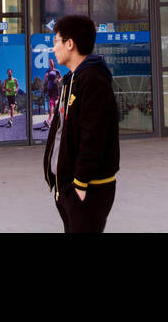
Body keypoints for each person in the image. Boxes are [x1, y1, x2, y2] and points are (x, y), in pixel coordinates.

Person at [43, 15, 119, 233]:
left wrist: (80, 183)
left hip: (89, 187)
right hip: (68, 184)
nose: (53, 48)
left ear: (70, 43)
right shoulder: (72, 79)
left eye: (56, 41)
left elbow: (93, 135)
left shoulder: (93, 79)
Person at [38, 56, 62, 130]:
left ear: (53, 63)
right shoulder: (47, 71)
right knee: (55, 103)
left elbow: (61, 77)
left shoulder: (56, 71)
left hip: (55, 88)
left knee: (51, 103)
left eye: (51, 61)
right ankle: (58, 116)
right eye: (49, 62)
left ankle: (49, 120)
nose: (50, 62)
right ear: (49, 64)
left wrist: (58, 80)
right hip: (49, 89)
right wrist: (45, 77)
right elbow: (45, 81)